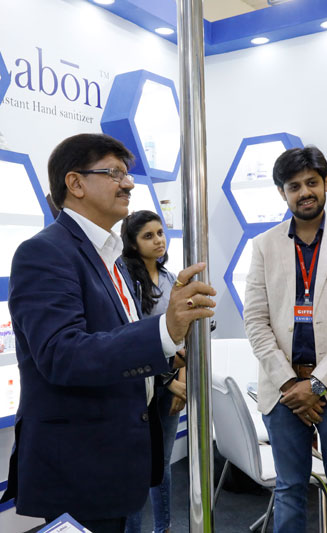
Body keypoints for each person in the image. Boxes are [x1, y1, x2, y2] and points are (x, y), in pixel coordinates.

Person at [0, 133, 216, 532]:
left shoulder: (110, 257)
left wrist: (169, 354)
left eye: (126, 174)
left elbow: (114, 341)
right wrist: (163, 330)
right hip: (81, 466)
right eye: (114, 173)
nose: (128, 183)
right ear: (75, 183)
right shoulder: (45, 252)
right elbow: (62, 354)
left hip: (115, 458)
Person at [243, 145, 327, 531]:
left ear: (326, 183)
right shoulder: (265, 245)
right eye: (293, 186)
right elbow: (255, 320)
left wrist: (316, 385)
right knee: (289, 489)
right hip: (282, 391)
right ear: (281, 192)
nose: (304, 192)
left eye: (311, 182)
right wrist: (292, 385)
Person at [120, 210, 186, 533]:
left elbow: (185, 333)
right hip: (138, 384)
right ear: (133, 243)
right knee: (135, 468)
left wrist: (181, 380)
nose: (159, 240)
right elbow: (132, 338)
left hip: (173, 382)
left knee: (162, 463)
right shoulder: (125, 281)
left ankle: (164, 528)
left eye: (160, 233)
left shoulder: (171, 279)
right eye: (149, 235)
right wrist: (168, 379)